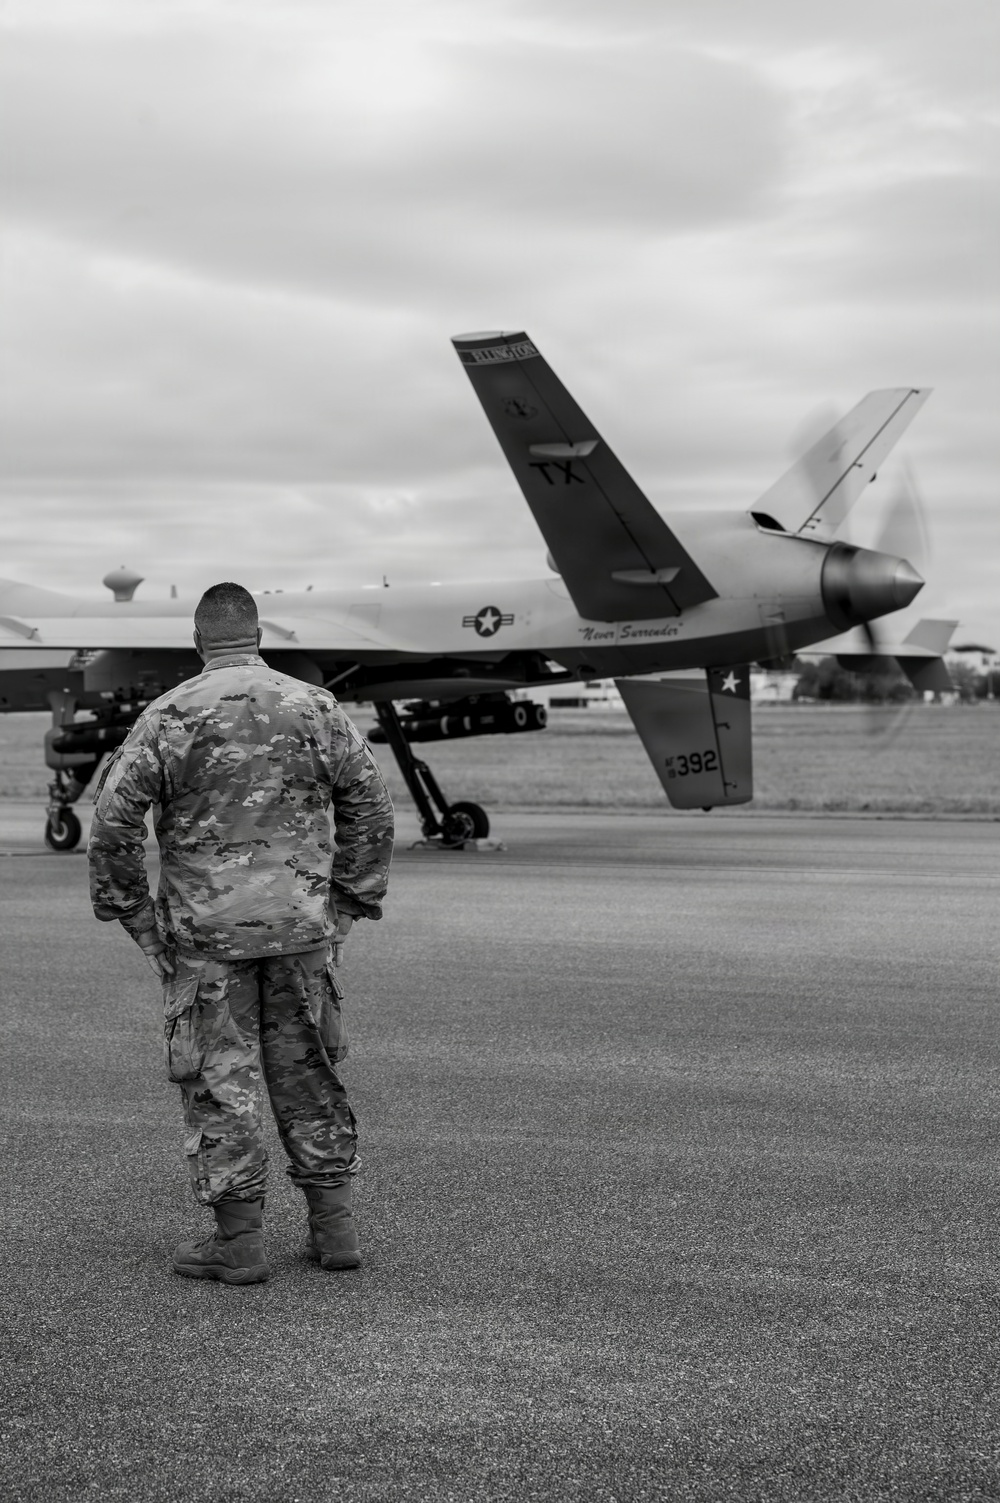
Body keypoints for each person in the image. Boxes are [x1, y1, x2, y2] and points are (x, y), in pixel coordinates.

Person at [88, 581, 394, 1285]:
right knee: (309, 1072)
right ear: (260, 637)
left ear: (198, 643)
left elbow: (111, 824)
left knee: (221, 1082)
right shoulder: (316, 707)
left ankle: (241, 1240)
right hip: (300, 931)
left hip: (205, 940)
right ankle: (335, 1228)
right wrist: (347, 904)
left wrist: (136, 918)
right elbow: (372, 807)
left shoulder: (167, 715)